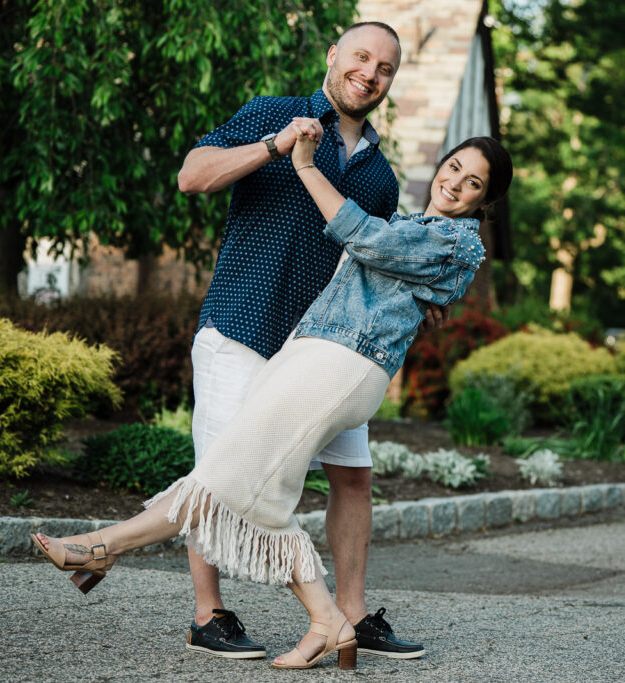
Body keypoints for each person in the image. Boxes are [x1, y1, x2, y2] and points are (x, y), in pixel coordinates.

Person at [31, 134, 514, 670]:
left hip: (343, 366)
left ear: (484, 202)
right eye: (453, 168)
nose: (454, 183)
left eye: (473, 183)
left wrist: (304, 165)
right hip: (313, 351)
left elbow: (362, 238)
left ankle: (103, 547)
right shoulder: (412, 225)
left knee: (238, 476)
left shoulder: (457, 241)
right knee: (244, 480)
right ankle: (328, 621)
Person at [172, 20, 435, 661]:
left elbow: (374, 260)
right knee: (218, 473)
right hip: (243, 324)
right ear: (333, 56)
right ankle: (210, 614)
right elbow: (193, 176)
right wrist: (274, 143)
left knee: (353, 476)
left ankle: (350, 615)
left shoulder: (379, 176)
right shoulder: (274, 112)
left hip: (326, 351)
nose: (370, 74)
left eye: (385, 69)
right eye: (362, 58)